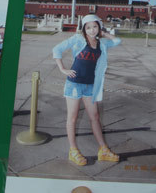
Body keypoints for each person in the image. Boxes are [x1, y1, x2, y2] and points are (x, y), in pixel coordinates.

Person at [52, 14, 122, 166]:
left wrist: (105, 33)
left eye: (95, 27)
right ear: (84, 28)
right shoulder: (78, 40)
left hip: (90, 85)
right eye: (88, 27)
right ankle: (73, 150)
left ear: (99, 27)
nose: (92, 30)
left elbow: (117, 41)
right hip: (74, 84)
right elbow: (57, 49)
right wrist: (63, 69)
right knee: (72, 117)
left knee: (95, 117)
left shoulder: (102, 43)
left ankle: (103, 150)